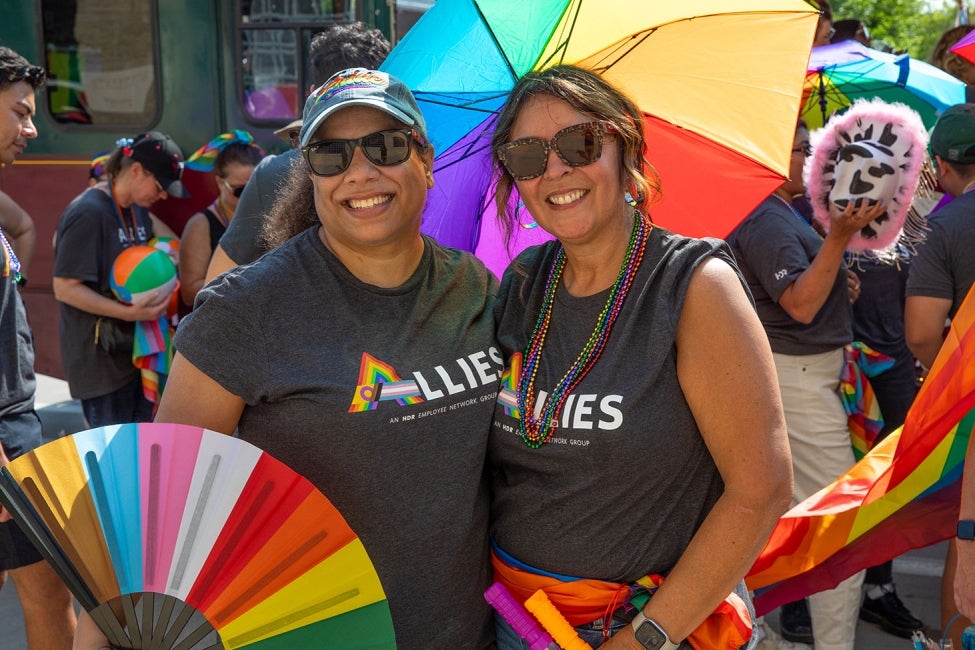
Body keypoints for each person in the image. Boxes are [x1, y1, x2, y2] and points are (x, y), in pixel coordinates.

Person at [74, 68, 499, 648]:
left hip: (464, 633)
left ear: (424, 160)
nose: (361, 171)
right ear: (311, 177)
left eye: (386, 145)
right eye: (331, 154)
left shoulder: (475, 286)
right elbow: (154, 508)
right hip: (308, 634)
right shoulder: (247, 310)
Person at [487, 64, 793, 650]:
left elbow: (763, 489)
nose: (556, 170)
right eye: (526, 156)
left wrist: (644, 638)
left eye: (578, 143)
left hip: (646, 628)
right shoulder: (524, 282)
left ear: (623, 142)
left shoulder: (694, 285)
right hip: (516, 622)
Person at [728, 120, 888, 650]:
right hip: (797, 378)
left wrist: (834, 265)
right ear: (776, 152)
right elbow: (798, 304)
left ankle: (758, 632)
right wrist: (838, 237)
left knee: (794, 512)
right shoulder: (765, 216)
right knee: (837, 522)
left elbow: (802, 288)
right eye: (804, 147)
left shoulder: (777, 211)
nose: (813, 158)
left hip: (803, 374)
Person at [205, 21, 390, 281]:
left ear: (312, 96)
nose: (359, 175)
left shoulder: (276, 174)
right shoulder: (412, 168)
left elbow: (215, 285)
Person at [0, 45, 77, 650]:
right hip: (5, 443)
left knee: (50, 589)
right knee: (50, 589)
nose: (31, 128)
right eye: (21, 112)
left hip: (17, 429)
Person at [52, 131, 187, 428]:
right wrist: (131, 313)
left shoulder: (137, 208)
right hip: (101, 367)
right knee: (116, 463)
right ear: (137, 170)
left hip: (131, 357)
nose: (163, 195)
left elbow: (172, 241)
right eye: (161, 186)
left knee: (139, 455)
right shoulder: (88, 212)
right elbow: (64, 288)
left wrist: (167, 257)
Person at [905, 102, 975, 650]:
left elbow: (923, 331)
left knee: (966, 528)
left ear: (944, 167)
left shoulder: (944, 224)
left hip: (966, 401)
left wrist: (940, 379)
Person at [178, 131, 264, 307]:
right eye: (239, 191)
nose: (247, 197)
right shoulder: (201, 225)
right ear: (219, 182)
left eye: (254, 187)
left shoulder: (269, 214)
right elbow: (189, 293)